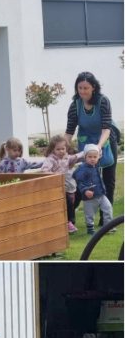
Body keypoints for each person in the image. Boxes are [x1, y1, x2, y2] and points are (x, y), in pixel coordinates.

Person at [64, 72, 116, 228]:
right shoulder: (75, 105)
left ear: (93, 87)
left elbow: (106, 128)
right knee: (85, 179)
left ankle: (106, 220)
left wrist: (99, 147)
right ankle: (69, 218)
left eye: (86, 88)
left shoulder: (103, 101)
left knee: (108, 181)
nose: (82, 91)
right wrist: (63, 149)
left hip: (104, 141)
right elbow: (69, 130)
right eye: (79, 88)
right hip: (85, 142)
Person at [73, 144, 115, 235]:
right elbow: (79, 180)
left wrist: (102, 147)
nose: (92, 159)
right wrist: (85, 190)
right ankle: (90, 228)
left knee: (108, 208)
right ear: (85, 157)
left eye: (95, 157)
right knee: (90, 213)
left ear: (98, 157)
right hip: (89, 196)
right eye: (90, 157)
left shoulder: (96, 165)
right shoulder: (82, 169)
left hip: (101, 194)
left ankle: (108, 226)